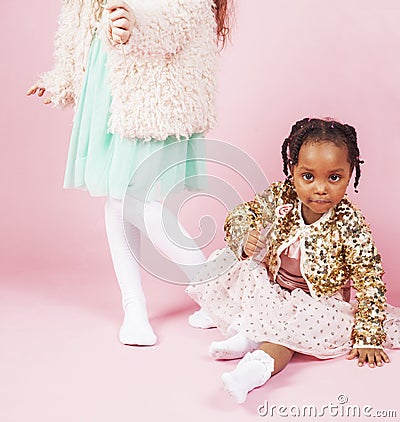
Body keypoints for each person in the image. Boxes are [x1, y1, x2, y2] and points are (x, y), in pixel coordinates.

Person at [26, 0, 232, 346]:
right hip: (106, 87)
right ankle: (135, 308)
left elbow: (179, 18)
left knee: (136, 202)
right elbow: (83, 19)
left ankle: (216, 289)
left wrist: (136, 25)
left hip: (150, 91)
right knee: (117, 199)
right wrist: (63, 79)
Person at [187, 117, 400, 403]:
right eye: (308, 177)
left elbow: (369, 277)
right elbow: (243, 213)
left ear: (351, 173)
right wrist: (243, 235)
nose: (320, 188)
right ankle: (243, 331)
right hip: (274, 285)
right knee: (232, 262)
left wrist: (368, 335)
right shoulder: (282, 195)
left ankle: (251, 371)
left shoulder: (350, 223)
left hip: (315, 300)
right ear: (293, 170)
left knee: (288, 334)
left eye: (334, 177)